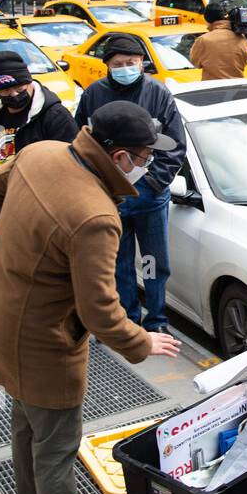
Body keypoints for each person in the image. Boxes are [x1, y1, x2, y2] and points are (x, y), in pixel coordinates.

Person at [0, 100, 182, 494]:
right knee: (57, 445)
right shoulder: (96, 216)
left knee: (26, 421)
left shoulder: (42, 151)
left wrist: (15, 248)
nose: (148, 162)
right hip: (44, 340)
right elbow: (99, 309)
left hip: (3, 314)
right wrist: (141, 341)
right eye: (145, 154)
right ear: (120, 157)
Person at [73, 34, 186, 333]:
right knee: (119, 262)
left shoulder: (158, 94)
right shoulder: (93, 94)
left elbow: (174, 145)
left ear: (142, 63)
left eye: (131, 63)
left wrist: (152, 182)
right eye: (118, 64)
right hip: (110, 197)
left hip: (149, 196)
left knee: (152, 262)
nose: (125, 68)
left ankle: (156, 319)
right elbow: (80, 141)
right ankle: (128, 319)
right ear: (107, 66)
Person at [0, 50, 77, 179]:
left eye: (20, 89)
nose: (14, 94)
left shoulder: (56, 116)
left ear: (30, 82)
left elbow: (71, 163)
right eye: (6, 91)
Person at [189, 0, 247, 81]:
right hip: (237, 86)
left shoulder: (203, 40)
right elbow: (245, 61)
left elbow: (195, 62)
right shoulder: (242, 38)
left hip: (213, 88)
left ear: (207, 19)